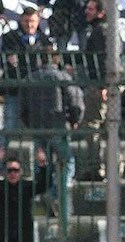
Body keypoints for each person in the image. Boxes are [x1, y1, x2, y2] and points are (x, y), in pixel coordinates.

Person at [19, 50, 85, 216]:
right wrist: (75, 119)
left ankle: (43, 196)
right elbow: (76, 100)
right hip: (59, 126)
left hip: (38, 128)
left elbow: (22, 107)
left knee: (43, 165)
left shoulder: (30, 78)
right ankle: (56, 193)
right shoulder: (63, 77)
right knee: (67, 162)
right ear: (57, 60)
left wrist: (30, 125)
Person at [0, 6, 52, 155]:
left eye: (33, 21)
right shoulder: (11, 37)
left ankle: (40, 168)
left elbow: (48, 61)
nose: (29, 25)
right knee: (10, 126)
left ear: (38, 22)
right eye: (26, 21)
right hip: (15, 90)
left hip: (36, 92)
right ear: (21, 21)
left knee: (38, 129)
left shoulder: (43, 39)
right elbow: (8, 60)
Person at [0, 153, 48, 242]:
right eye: (10, 171)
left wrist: (42, 165)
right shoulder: (1, 188)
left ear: (20, 172)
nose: (13, 174)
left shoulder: (26, 187)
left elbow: (42, 185)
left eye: (16, 170)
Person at [79, 0, 107, 181]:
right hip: (98, 84)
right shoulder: (100, 30)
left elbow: (106, 59)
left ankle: (97, 168)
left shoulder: (101, 31)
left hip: (98, 86)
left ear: (101, 13)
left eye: (90, 9)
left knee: (93, 126)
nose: (86, 12)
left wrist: (103, 85)